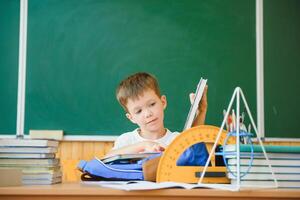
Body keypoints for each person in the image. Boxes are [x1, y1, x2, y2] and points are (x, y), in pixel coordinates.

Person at [106, 72, 208, 157]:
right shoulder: (127, 140)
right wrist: (144, 145)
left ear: (163, 102)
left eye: (152, 104)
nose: (148, 114)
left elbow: (193, 146)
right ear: (131, 118)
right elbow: (107, 157)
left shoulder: (175, 140)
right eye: (138, 111)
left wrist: (201, 112)